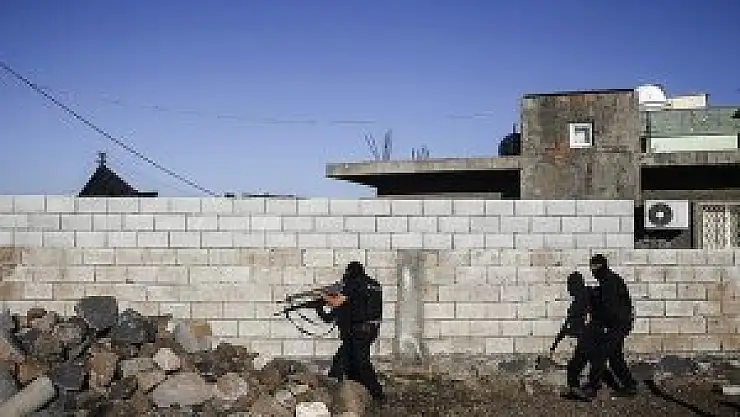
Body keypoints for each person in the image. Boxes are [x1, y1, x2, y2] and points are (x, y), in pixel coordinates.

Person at [316, 261, 385, 405]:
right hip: (370, 330)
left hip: (359, 331)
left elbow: (336, 303)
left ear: (350, 273)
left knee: (361, 363)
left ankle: (377, 394)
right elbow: (355, 302)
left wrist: (322, 296)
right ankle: (346, 391)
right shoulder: (373, 284)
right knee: (343, 361)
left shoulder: (354, 283)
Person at [581, 253, 639, 398]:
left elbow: (610, 308)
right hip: (620, 324)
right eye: (591, 268)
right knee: (615, 358)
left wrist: (603, 325)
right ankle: (630, 386)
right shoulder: (609, 280)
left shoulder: (609, 282)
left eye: (594, 268)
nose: (593, 271)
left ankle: (592, 387)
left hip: (616, 325)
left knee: (600, 355)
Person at [556, 273, 620, 401]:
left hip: (592, 337)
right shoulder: (582, 297)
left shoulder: (586, 297)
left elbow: (586, 319)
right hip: (589, 336)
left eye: (571, 285)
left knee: (588, 365)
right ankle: (583, 389)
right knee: (589, 365)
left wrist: (571, 331)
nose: (569, 289)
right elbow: (573, 321)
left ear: (577, 284)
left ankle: (591, 389)